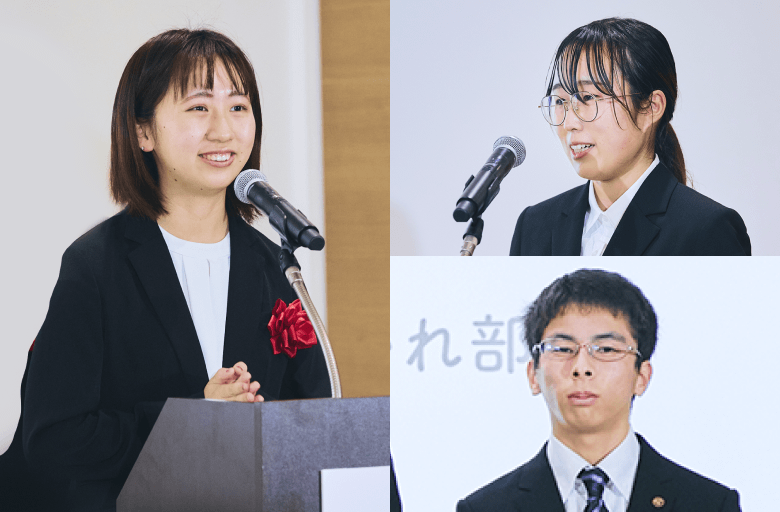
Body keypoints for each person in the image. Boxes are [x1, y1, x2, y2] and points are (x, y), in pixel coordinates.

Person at [21, 29, 331, 511]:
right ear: (143, 132)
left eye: (238, 106)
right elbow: (53, 438)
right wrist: (193, 422)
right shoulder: (96, 266)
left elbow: (317, 422)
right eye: (199, 107)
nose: (223, 130)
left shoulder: (275, 267)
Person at [456, 269, 740, 512]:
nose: (582, 367)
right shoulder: (484, 508)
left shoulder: (710, 504)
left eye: (605, 349)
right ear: (534, 375)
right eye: (562, 349)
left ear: (642, 377)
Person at [509, 18, 750, 256]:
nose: (569, 123)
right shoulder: (534, 226)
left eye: (588, 98)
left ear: (651, 107)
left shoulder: (706, 230)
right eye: (560, 101)